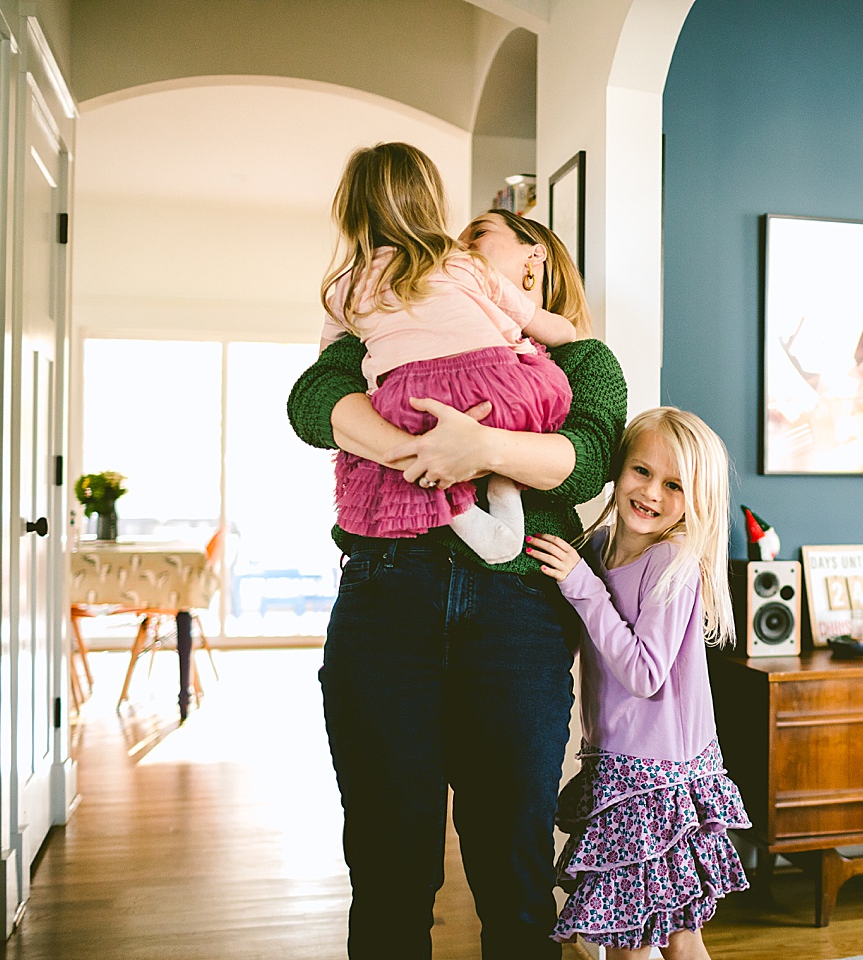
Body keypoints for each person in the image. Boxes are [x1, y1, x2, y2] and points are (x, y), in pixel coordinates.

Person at [287, 203, 627, 959]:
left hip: (519, 615)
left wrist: (478, 447)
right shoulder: (387, 309)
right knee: (388, 867)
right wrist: (425, 452)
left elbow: (590, 456)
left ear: (533, 260)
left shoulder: (583, 357)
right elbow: (313, 403)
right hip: (386, 596)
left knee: (515, 874)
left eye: (475, 238)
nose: (449, 248)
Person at [525, 407, 751, 959]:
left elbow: (645, 674)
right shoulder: (597, 548)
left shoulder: (670, 560)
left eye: (674, 485)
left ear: (695, 498)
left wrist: (583, 588)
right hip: (617, 759)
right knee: (640, 935)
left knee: (662, 937)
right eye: (641, 471)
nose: (651, 492)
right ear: (618, 468)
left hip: (656, 777)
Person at [321, 142, 577, 564]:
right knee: (538, 389)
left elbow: (326, 366)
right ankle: (504, 484)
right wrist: (565, 335)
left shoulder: (345, 289)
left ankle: (458, 509)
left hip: (417, 405)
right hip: (505, 393)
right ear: (432, 204)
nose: (465, 240)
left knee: (399, 438)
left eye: (478, 233)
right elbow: (545, 324)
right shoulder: (466, 265)